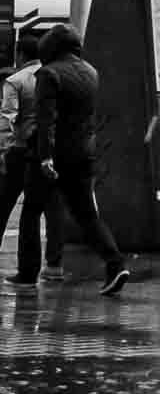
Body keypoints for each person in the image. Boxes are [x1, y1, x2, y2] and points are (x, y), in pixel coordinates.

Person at [23, 25, 129, 296]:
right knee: (86, 215)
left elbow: (47, 119)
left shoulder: (49, 74)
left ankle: (27, 272)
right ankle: (115, 262)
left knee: (32, 210)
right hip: (83, 154)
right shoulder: (91, 72)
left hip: (54, 156)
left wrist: (45, 156)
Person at [0, 30, 63, 281]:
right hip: (45, 152)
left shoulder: (16, 80)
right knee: (51, 209)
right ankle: (54, 264)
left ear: (20, 54)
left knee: (2, 207)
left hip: (19, 151)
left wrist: (0, 150)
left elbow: (6, 118)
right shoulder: (53, 77)